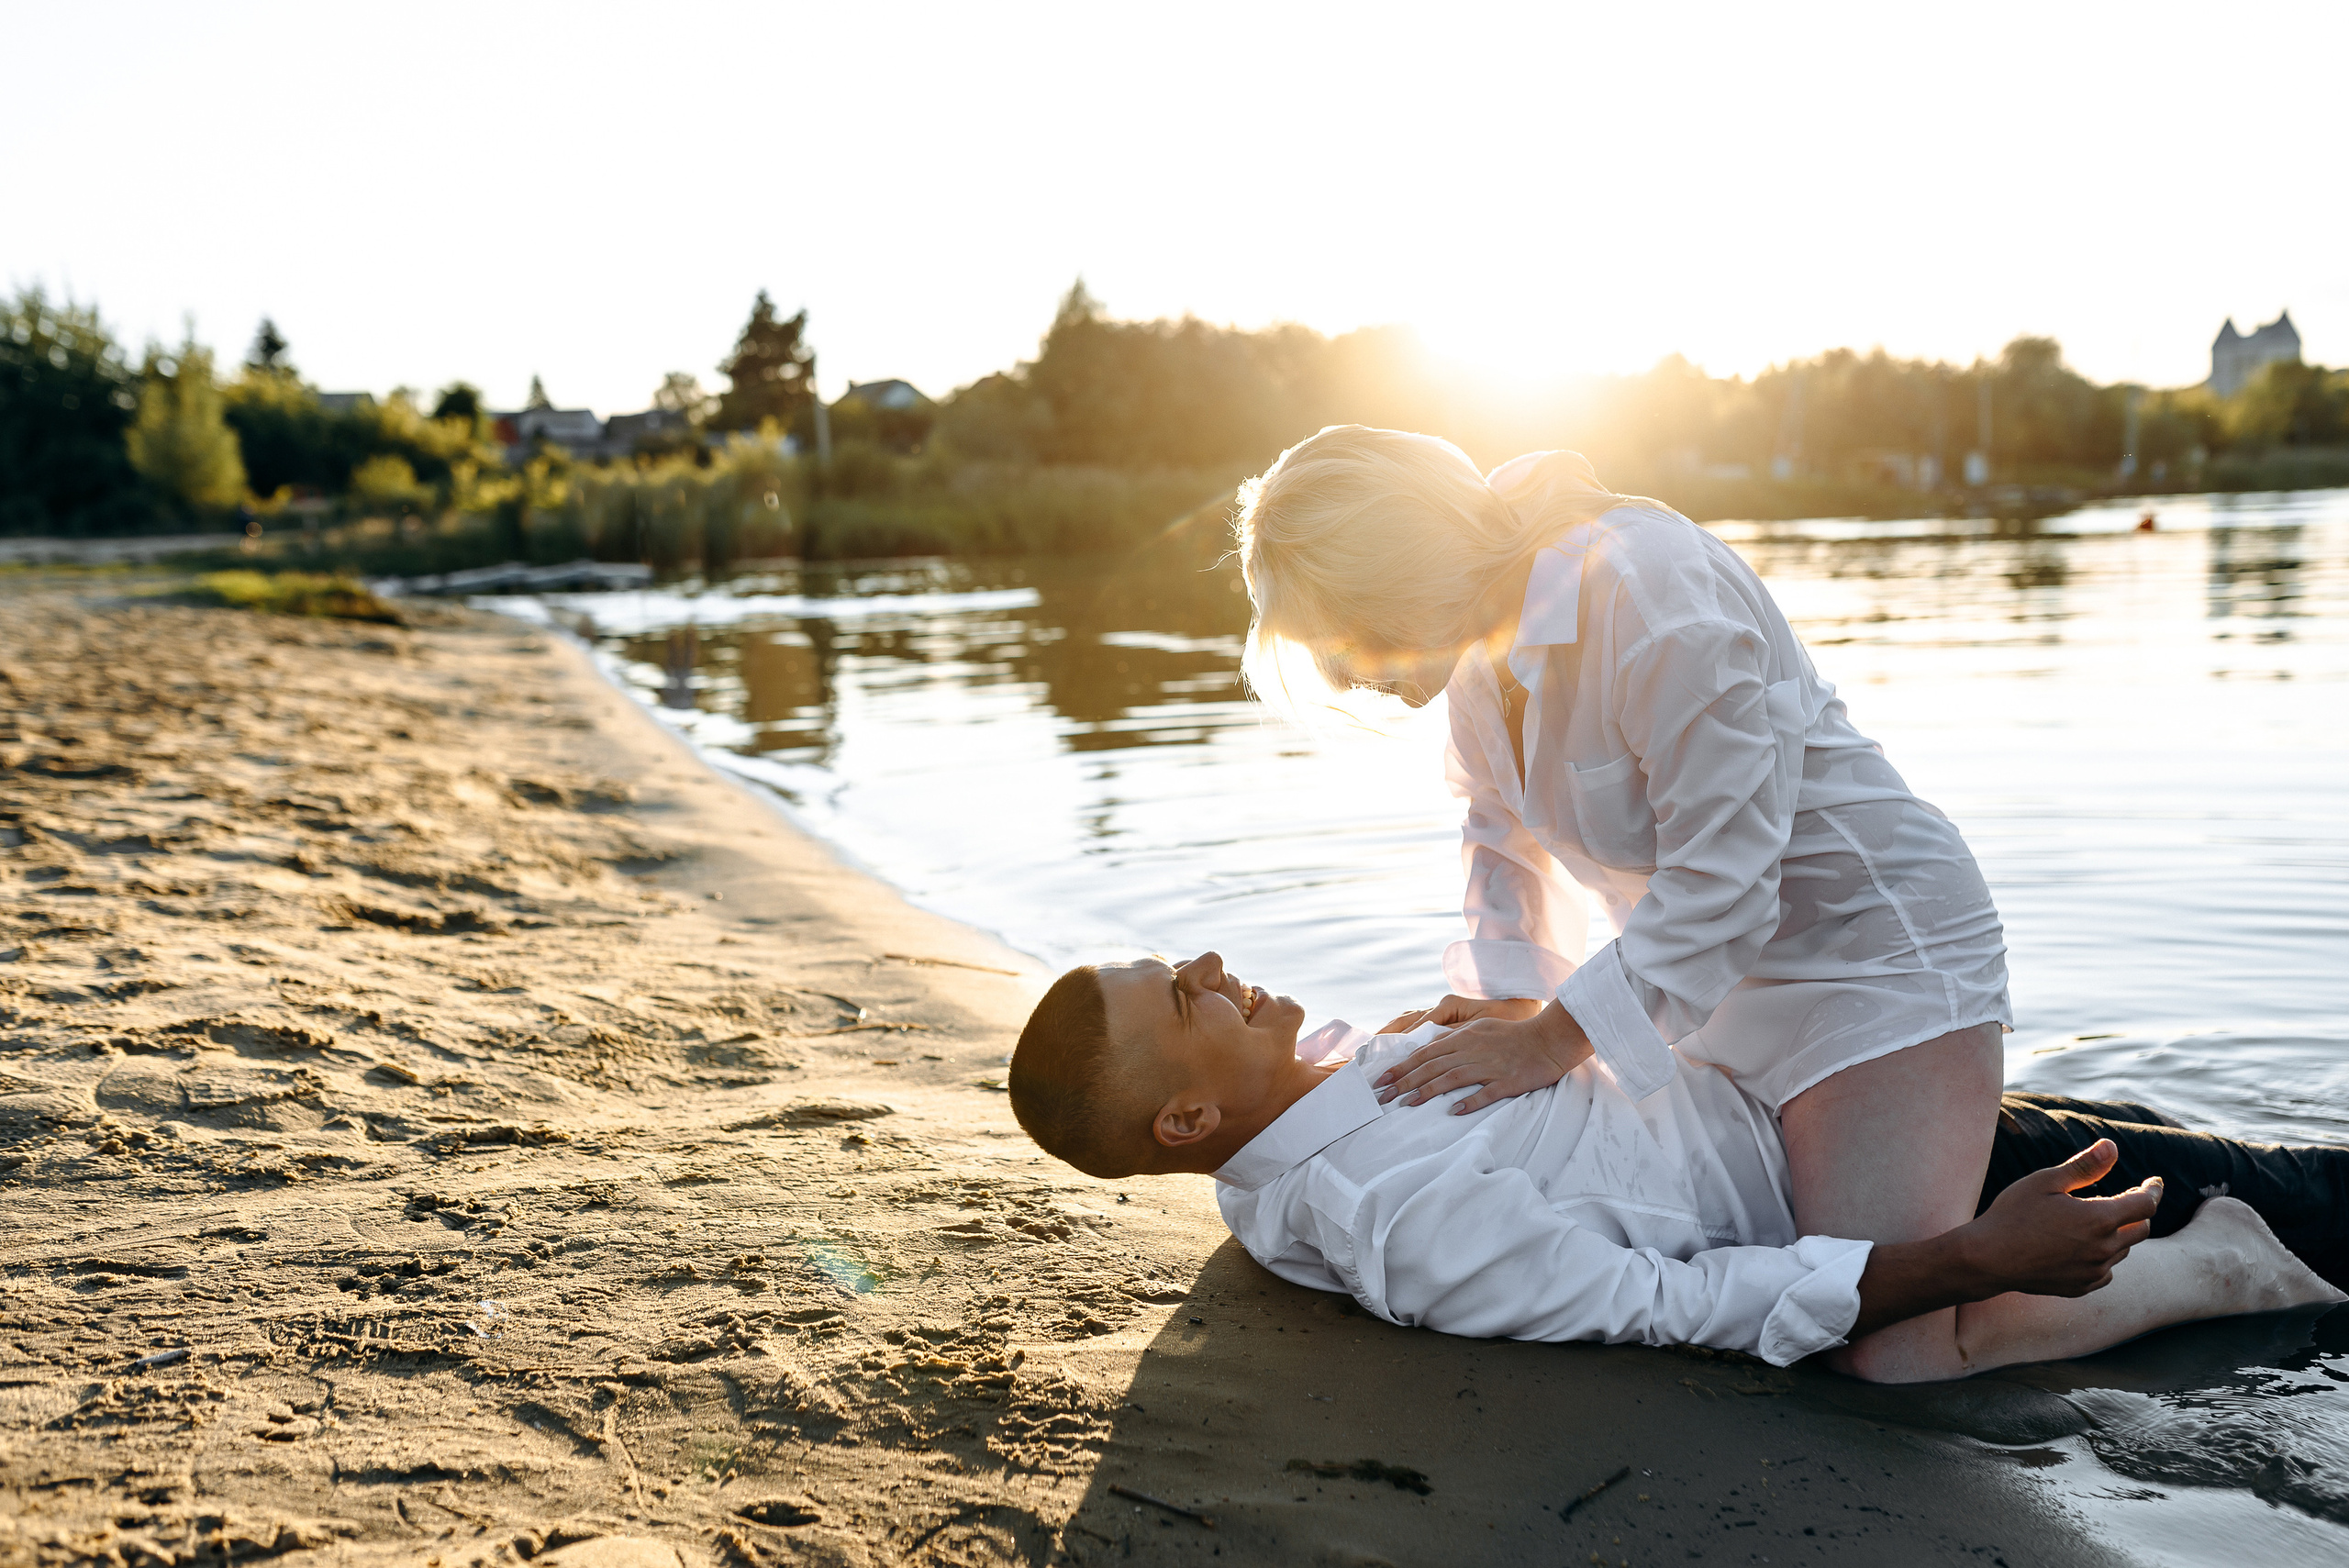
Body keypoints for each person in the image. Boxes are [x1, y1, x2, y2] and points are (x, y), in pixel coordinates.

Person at [1233, 428, 2021, 1380]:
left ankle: (2209, 1259)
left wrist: (1554, 1040)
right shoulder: (1483, 657)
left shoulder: (1652, 593)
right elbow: (1499, 842)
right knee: (1787, 1252)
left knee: (1889, 1356)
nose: (1345, 676)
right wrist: (1513, 1002)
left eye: (1340, 640)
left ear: (1395, 573)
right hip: (1697, 992)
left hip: (1866, 966)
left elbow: (1723, 880)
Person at [1008, 950, 2345, 1383]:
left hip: (1836, 1092)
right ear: (1181, 1122)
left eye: (1171, 959)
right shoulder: (1387, 1214)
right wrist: (1974, 1255)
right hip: (1892, 1173)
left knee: (2275, 1161)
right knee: (2319, 1201)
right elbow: (1662, 1305)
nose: (1203, 969)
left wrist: (1531, 1016)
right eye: (1177, 999)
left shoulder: (1308, 1122)